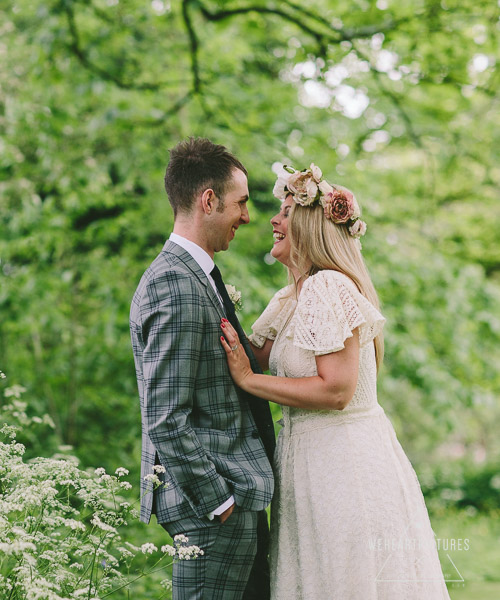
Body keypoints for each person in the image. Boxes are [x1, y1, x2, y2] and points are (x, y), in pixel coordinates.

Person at [218, 164, 450, 599]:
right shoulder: (293, 296)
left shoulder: (328, 288)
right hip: (307, 463)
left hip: (343, 465)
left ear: (308, 225)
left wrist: (250, 380)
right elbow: (254, 355)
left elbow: (336, 390)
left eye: (286, 212)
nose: (273, 220)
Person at [130, 138, 276, 600]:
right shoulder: (175, 282)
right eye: (241, 203)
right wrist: (219, 501)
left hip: (230, 499)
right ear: (208, 200)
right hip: (213, 509)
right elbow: (165, 416)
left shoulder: (195, 275)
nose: (248, 217)